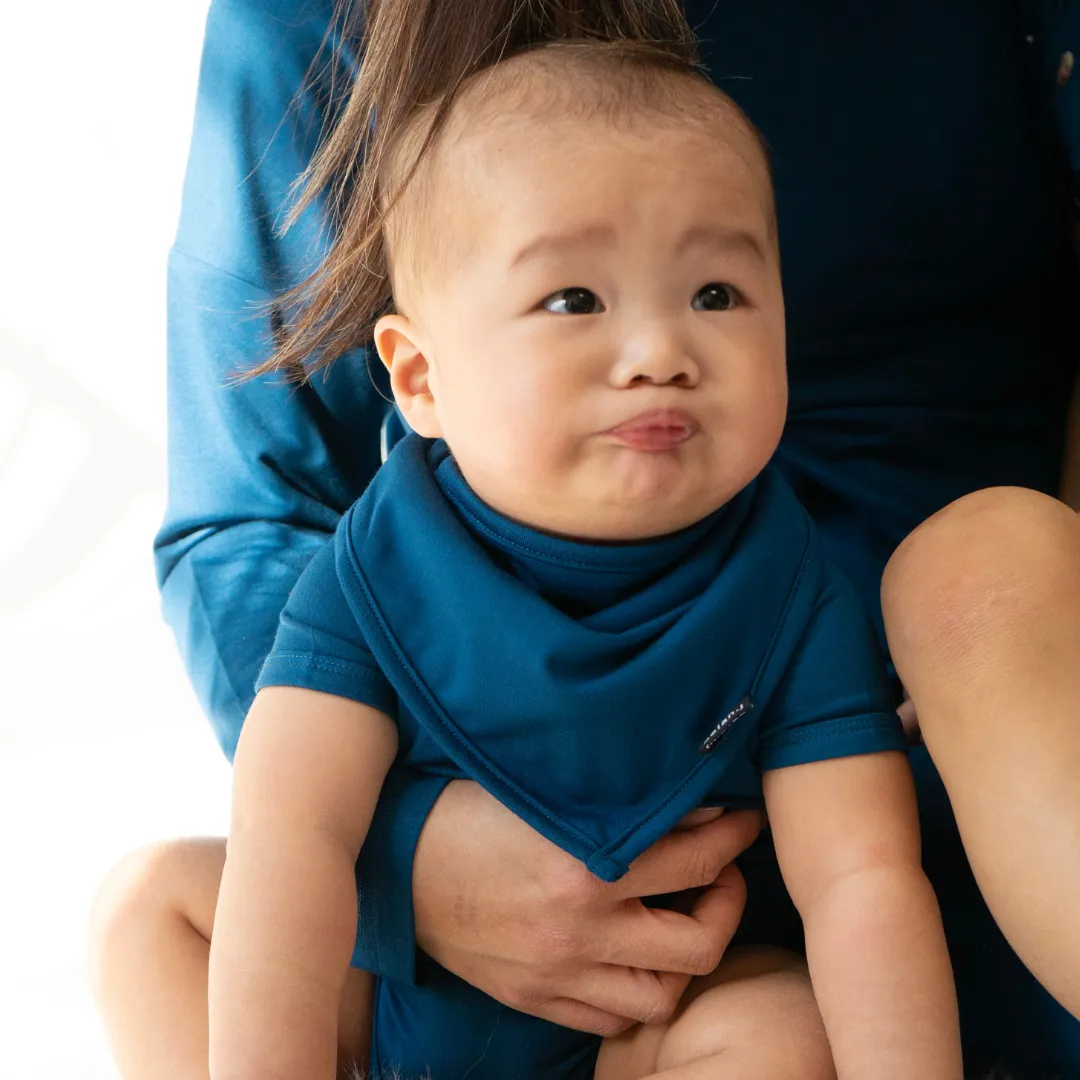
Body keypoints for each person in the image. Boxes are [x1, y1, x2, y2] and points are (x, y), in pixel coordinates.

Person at [88, 0, 1080, 1078]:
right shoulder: (377, 571)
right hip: (405, 983)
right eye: (573, 299)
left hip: (668, 995)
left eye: (716, 293)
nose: (658, 349)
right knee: (152, 913)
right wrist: (417, 862)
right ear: (418, 377)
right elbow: (293, 845)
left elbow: (861, 879)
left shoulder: (789, 586)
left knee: (777, 1034)